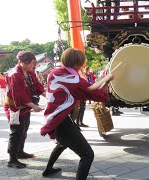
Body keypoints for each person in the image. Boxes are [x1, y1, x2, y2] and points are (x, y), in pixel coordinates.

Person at [40, 48, 113, 179]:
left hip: (56, 118)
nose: (83, 65)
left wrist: (103, 80)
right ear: (76, 64)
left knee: (62, 143)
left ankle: (48, 170)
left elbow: (88, 89)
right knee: (87, 155)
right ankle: (49, 169)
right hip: (61, 121)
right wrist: (106, 80)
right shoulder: (72, 79)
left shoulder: (56, 72)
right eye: (81, 63)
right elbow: (92, 91)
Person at [4, 51, 45, 169]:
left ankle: (20, 152)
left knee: (24, 129)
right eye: (30, 63)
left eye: (33, 63)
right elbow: (19, 95)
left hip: (25, 105)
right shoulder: (15, 75)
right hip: (14, 107)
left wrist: (48, 96)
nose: (32, 66)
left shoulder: (30, 72)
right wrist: (34, 106)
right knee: (16, 132)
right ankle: (12, 159)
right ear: (20, 62)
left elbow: (37, 86)